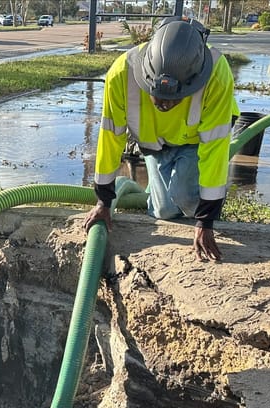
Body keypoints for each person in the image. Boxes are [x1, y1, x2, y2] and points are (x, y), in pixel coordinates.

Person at [83, 18, 239, 262]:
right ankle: (175, 195)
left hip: (194, 142)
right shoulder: (121, 75)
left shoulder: (216, 75)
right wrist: (104, 201)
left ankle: (206, 200)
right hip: (154, 145)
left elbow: (214, 150)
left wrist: (206, 221)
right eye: (157, 94)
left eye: (175, 98)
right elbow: (110, 138)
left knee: (186, 199)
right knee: (163, 211)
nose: (165, 104)